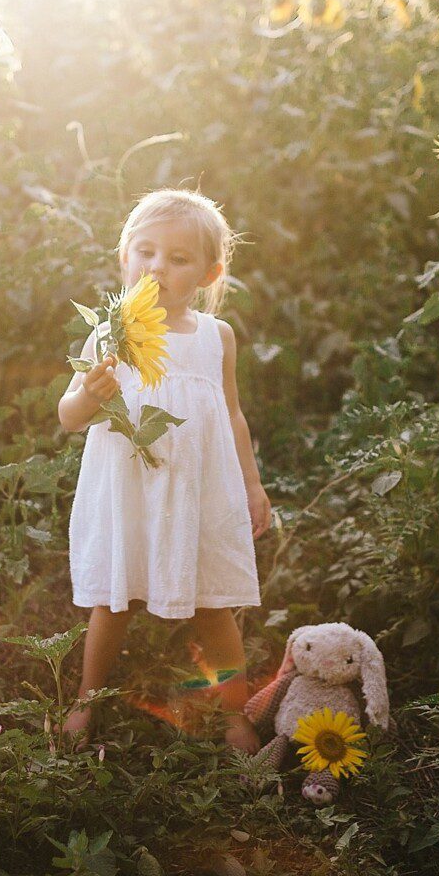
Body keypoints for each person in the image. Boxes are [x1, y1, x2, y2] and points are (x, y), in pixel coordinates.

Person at [56, 188, 272, 755]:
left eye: (178, 259)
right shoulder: (112, 332)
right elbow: (70, 416)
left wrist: (251, 484)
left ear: (208, 272)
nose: (157, 267)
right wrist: (89, 395)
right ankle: (86, 700)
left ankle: (233, 717)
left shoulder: (214, 337)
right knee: (113, 602)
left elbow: (231, 414)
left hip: (195, 493)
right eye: (145, 252)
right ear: (124, 257)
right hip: (131, 489)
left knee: (212, 606)